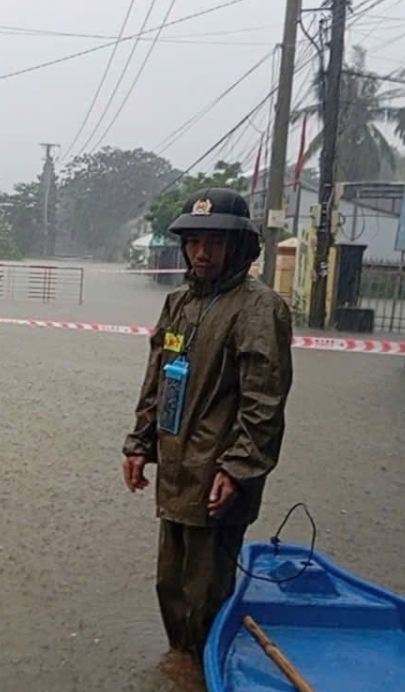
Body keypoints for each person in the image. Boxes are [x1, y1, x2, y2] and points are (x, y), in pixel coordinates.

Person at [122, 187, 293, 661]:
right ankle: (181, 664)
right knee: (169, 583)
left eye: (214, 242)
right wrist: (139, 445)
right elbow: (157, 377)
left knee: (205, 590)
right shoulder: (178, 302)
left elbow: (264, 401)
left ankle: (202, 673)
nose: (201, 252)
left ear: (239, 248)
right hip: (177, 469)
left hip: (217, 475)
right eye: (194, 240)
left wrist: (236, 469)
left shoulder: (259, 308)